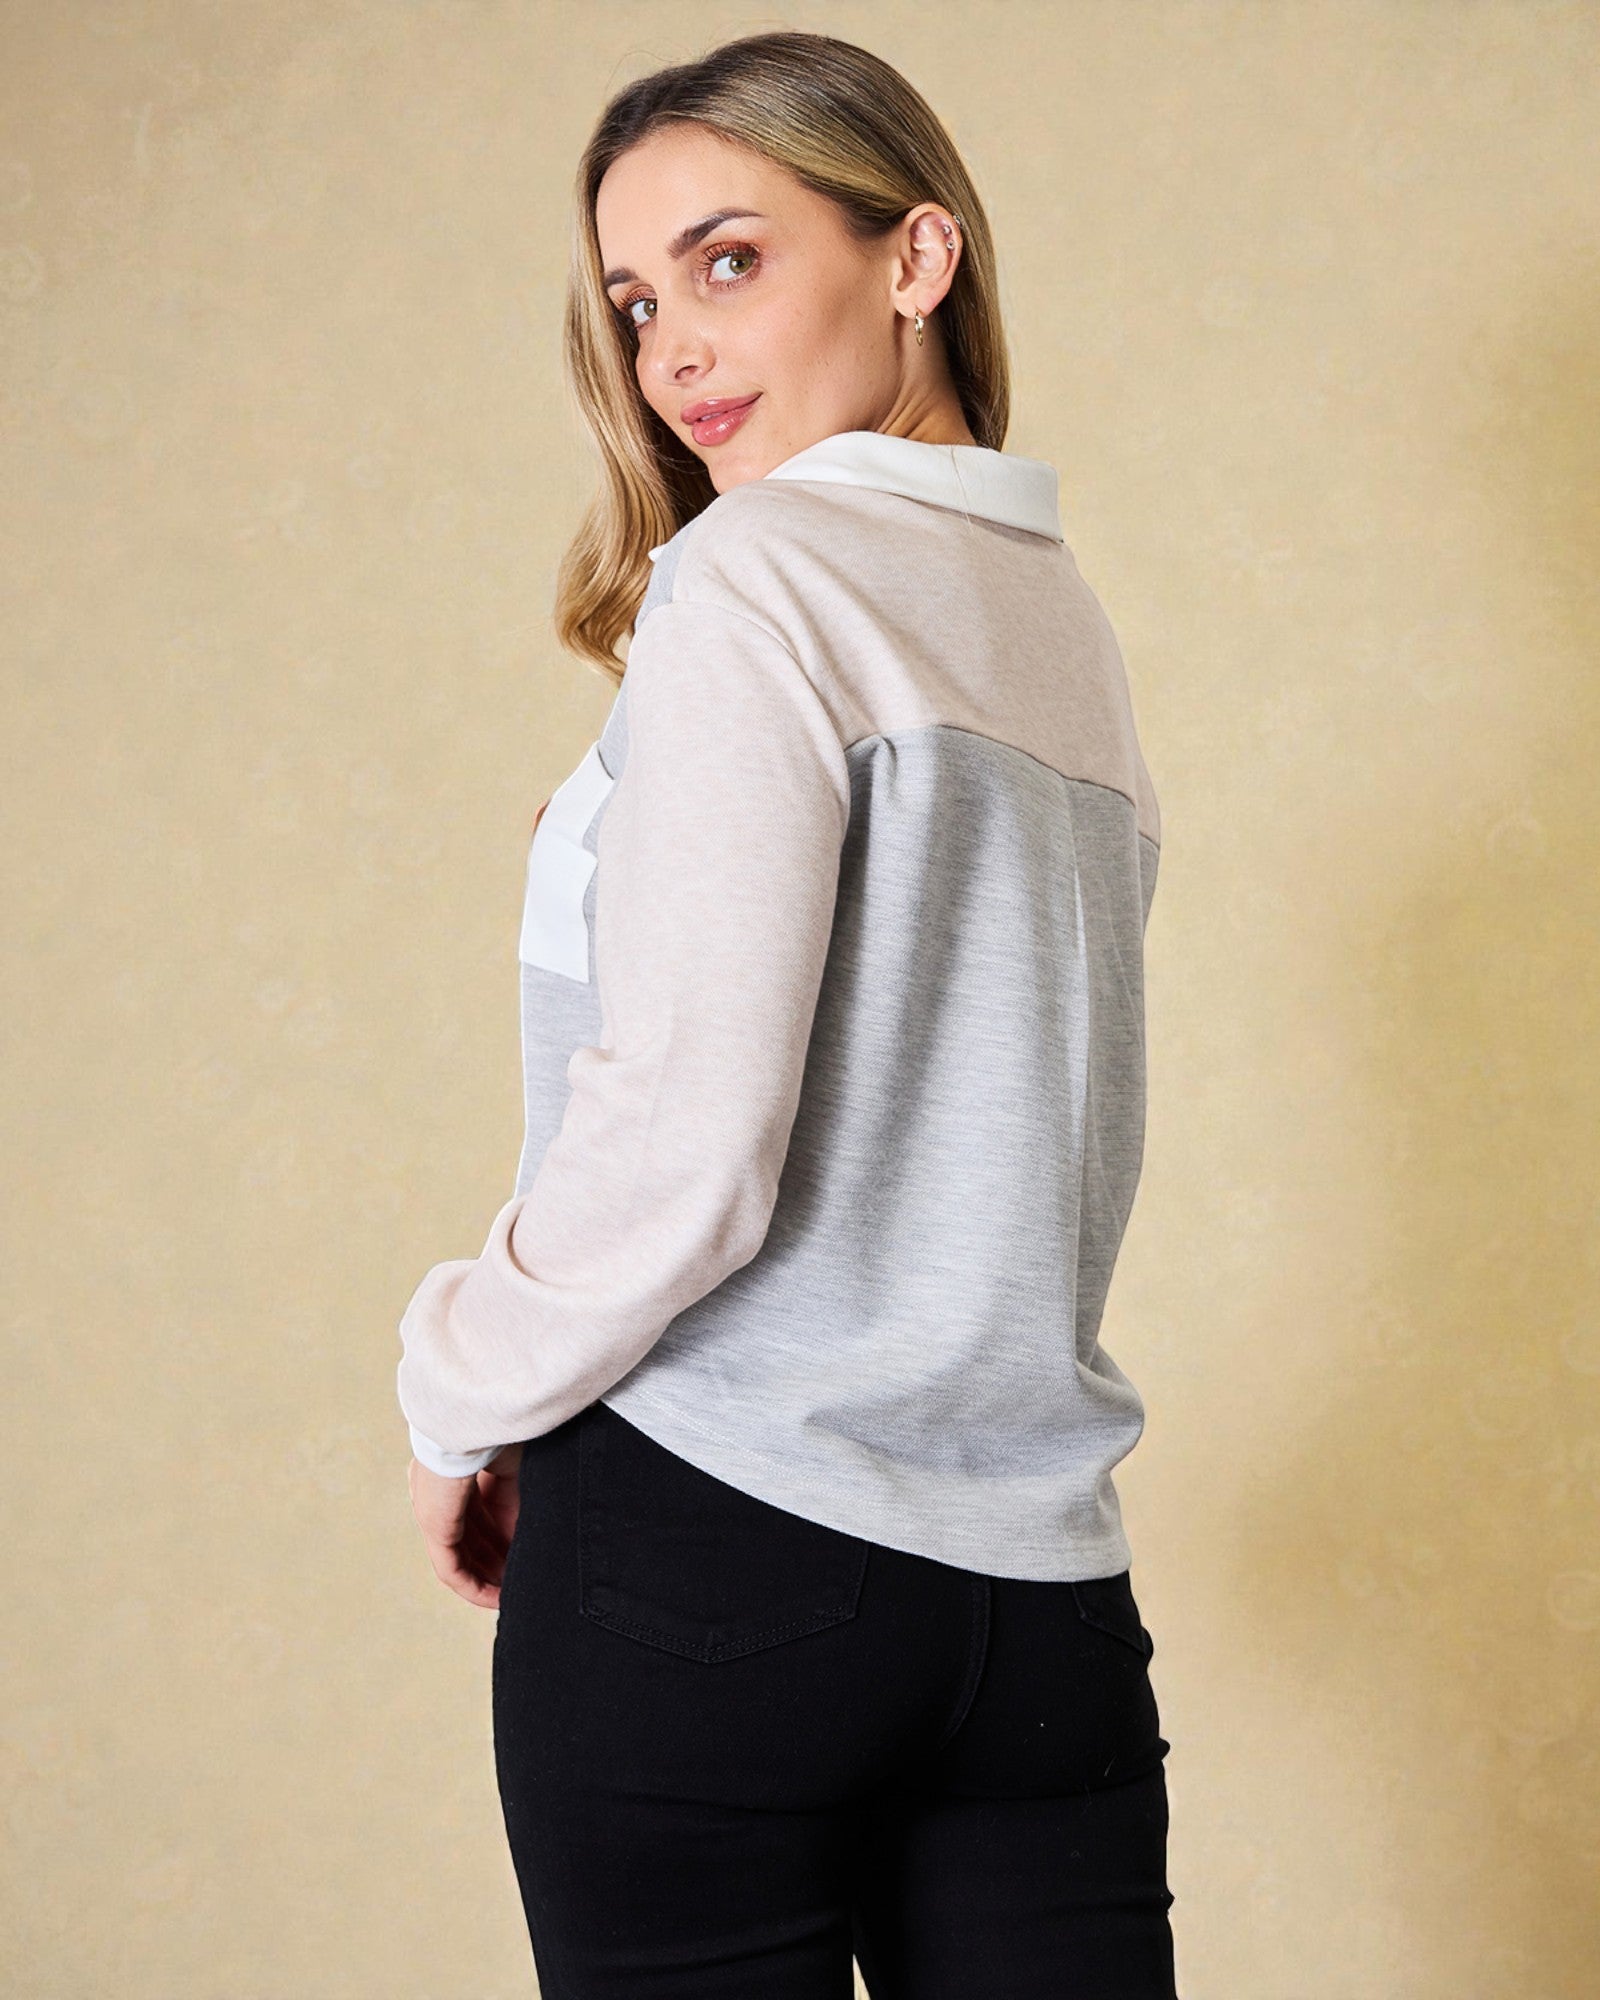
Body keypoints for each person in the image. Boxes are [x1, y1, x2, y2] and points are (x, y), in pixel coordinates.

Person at [396, 28, 1177, 2000]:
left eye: (728, 260)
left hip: (713, 1551)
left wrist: (461, 1377)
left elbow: (685, 1130)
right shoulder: (1054, 622)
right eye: (638, 298)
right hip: (1032, 1599)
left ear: (914, 256)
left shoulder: (755, 578)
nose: (671, 347)